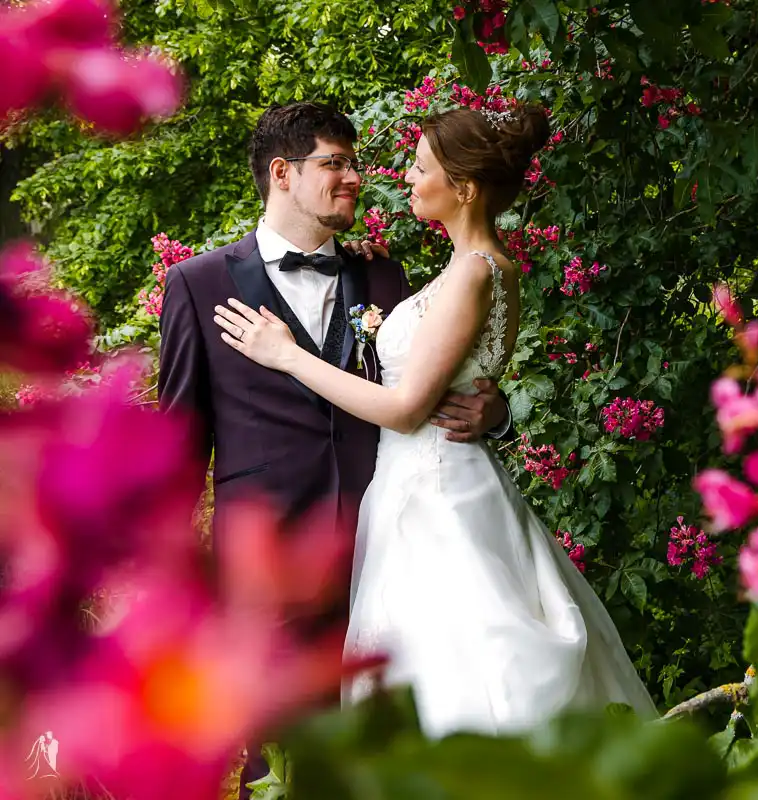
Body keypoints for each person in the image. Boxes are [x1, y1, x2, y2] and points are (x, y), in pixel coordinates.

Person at [212, 103, 658, 739]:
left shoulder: (460, 272)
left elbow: (407, 404)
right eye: (339, 163)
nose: (396, 180)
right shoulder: (443, 274)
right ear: (282, 173)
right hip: (330, 523)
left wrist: (286, 355)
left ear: (464, 188)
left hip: (434, 500)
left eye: (419, 168)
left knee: (461, 674)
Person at [157, 102, 511, 798]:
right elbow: (175, 454)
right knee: (281, 772)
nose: (355, 177)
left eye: (354, 162)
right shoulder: (198, 286)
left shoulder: (383, 278)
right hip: (270, 578)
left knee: (392, 762)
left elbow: (433, 383)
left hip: (390, 559)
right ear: (283, 174)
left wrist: (494, 413)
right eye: (335, 164)